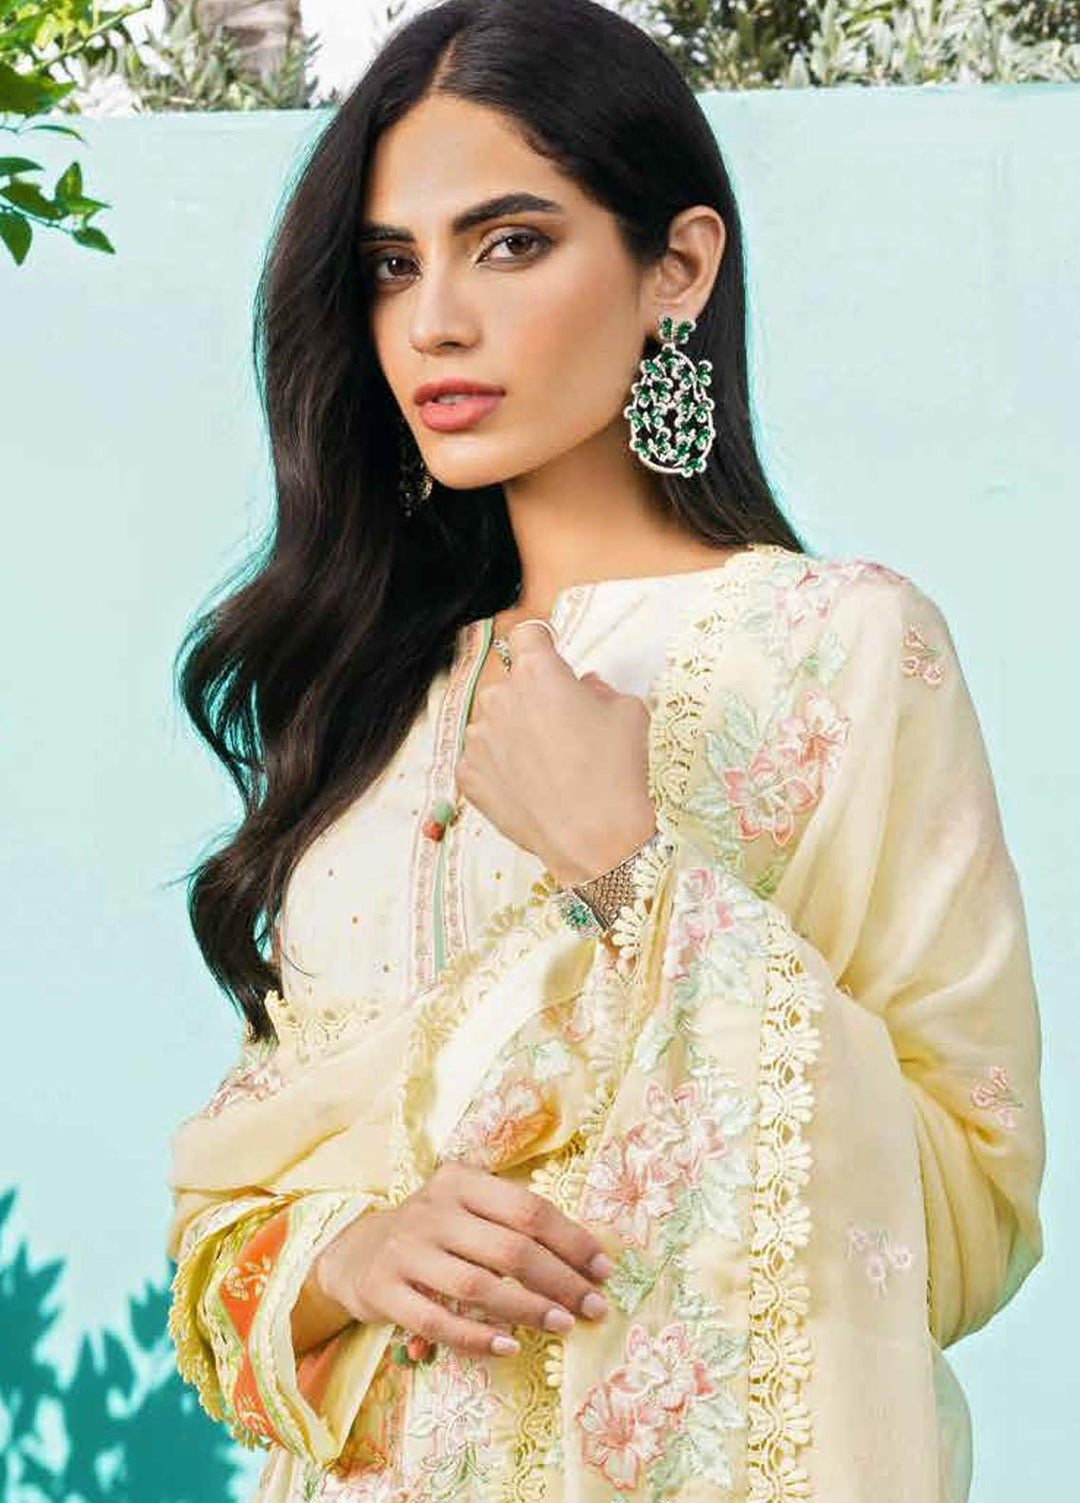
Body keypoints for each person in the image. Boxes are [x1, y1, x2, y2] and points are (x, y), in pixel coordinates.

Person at [164, 2, 1045, 1500]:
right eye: (392, 265)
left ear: (676, 268)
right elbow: (229, 1215)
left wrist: (633, 872)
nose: (434, 322)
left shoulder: (843, 646)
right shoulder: (369, 704)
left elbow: (968, 1207)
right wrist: (351, 1257)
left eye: (509, 243)